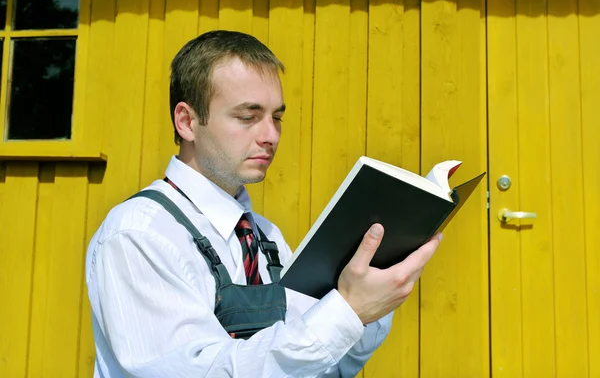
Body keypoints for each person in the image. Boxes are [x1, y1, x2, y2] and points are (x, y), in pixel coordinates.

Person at [85, 30, 442, 378]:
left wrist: (371, 299)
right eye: (247, 116)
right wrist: (347, 312)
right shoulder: (140, 235)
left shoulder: (265, 236)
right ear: (187, 121)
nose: (270, 135)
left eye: (277, 117)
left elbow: (326, 367)